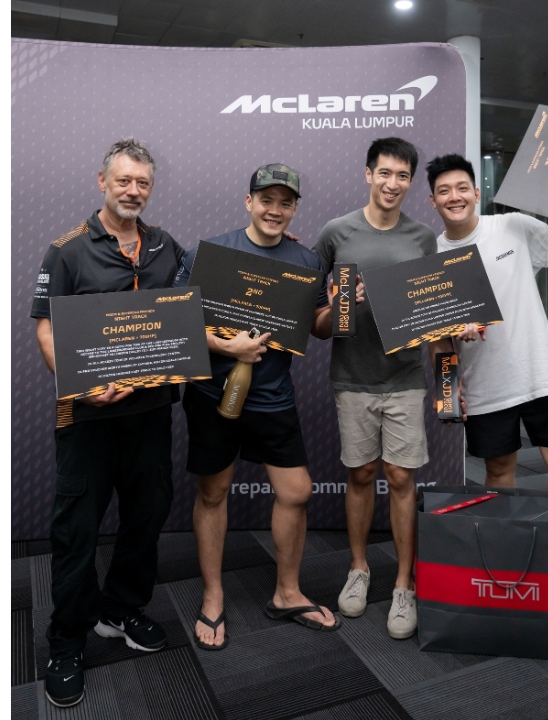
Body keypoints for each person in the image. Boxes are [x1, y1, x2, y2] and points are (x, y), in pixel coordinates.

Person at [29, 137, 186, 708]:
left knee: (146, 516)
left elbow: (184, 316)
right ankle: (67, 640)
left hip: (149, 413)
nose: (133, 191)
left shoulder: (167, 247)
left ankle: (120, 609)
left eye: (142, 183)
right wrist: (79, 379)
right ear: (103, 182)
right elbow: (46, 329)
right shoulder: (66, 251)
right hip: (87, 417)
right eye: (123, 181)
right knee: (77, 530)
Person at [424, 151, 548, 629]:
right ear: (433, 201)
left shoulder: (512, 227)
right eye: (444, 191)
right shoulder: (431, 257)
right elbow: (438, 339)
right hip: (486, 386)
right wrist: (448, 395)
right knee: (498, 477)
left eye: (461, 187)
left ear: (475, 192)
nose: (454, 197)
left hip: (543, 373)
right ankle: (506, 580)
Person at [174, 164, 348, 650]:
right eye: (266, 200)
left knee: (296, 491)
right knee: (214, 493)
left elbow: (317, 327)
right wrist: (226, 347)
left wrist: (341, 307)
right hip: (213, 395)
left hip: (272, 397)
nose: (275, 210)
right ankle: (213, 596)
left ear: (294, 209)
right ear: (248, 202)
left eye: (285, 203)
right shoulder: (210, 253)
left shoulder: (306, 260)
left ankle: (287, 593)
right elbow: (178, 319)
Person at [312, 137, 437, 640]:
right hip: (352, 376)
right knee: (361, 474)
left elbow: (435, 311)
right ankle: (359, 568)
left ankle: (405, 584)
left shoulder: (423, 237)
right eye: (384, 173)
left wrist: (452, 369)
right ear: (368, 174)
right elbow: (315, 321)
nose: (392, 183)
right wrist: (340, 305)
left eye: (402, 176)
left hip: (405, 377)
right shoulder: (335, 232)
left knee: (401, 479)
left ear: (411, 181)